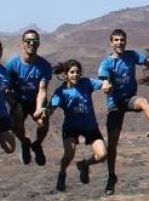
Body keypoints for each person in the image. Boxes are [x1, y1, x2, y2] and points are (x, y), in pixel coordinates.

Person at [97, 29, 149, 195]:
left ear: (125, 41)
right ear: (111, 43)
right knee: (112, 145)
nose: (119, 43)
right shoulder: (107, 63)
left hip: (129, 99)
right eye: (116, 40)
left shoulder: (132, 55)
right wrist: (106, 85)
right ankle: (111, 177)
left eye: (122, 40)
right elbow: (104, 80)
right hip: (114, 104)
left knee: (143, 102)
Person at [46, 59, 108, 192]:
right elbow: (51, 108)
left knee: (102, 155)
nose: (75, 75)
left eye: (77, 72)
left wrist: (107, 84)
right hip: (71, 127)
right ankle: (62, 173)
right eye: (72, 72)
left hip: (90, 126)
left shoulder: (86, 83)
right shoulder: (61, 92)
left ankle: (84, 164)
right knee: (69, 154)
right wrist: (46, 112)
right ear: (66, 74)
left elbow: (102, 84)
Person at [6, 29, 52, 167]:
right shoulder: (12, 64)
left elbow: (42, 89)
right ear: (23, 44)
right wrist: (12, 102)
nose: (31, 44)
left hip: (36, 99)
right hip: (18, 99)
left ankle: (37, 144)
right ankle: (24, 142)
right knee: (15, 120)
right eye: (28, 41)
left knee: (43, 121)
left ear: (38, 44)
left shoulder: (44, 66)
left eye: (35, 41)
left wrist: (39, 109)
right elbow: (6, 87)